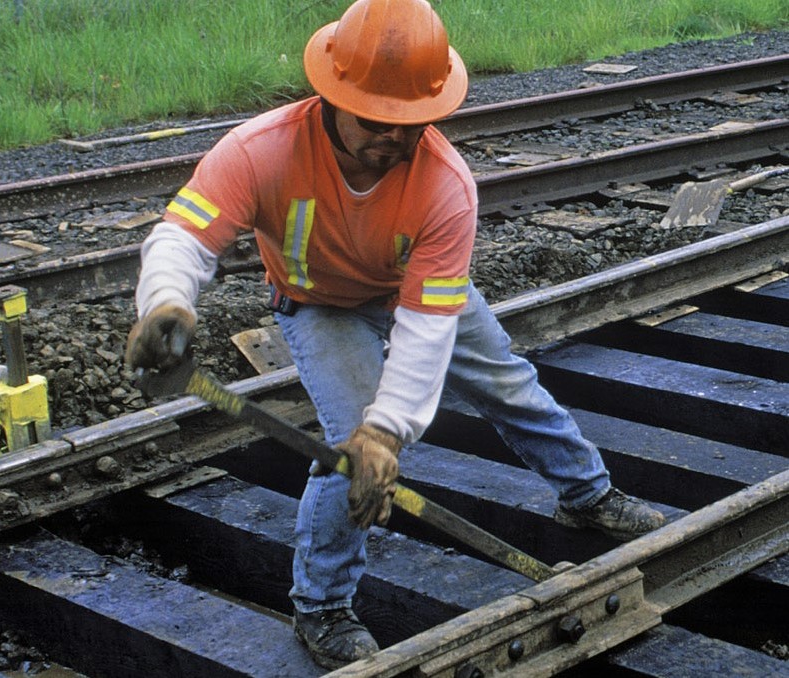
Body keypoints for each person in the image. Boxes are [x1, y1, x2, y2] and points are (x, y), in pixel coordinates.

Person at [124, 0, 665, 669]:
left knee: (507, 385)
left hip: (414, 292)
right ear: (333, 97)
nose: (392, 137)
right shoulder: (259, 152)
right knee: (349, 445)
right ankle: (321, 607)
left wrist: (393, 429)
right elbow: (183, 236)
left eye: (409, 123)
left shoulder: (445, 186)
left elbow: (426, 330)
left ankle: (588, 494)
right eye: (376, 120)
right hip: (322, 305)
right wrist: (167, 303)